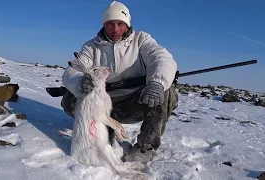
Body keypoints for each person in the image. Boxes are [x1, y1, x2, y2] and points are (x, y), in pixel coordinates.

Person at [61, 1, 178, 163]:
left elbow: (161, 58)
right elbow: (72, 70)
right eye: (110, 24)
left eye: (120, 24)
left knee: (166, 91)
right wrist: (79, 82)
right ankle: (103, 129)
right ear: (104, 25)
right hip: (102, 105)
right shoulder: (91, 47)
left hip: (134, 104)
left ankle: (144, 147)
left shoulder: (142, 40)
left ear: (127, 24)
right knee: (69, 97)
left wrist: (157, 82)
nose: (115, 30)